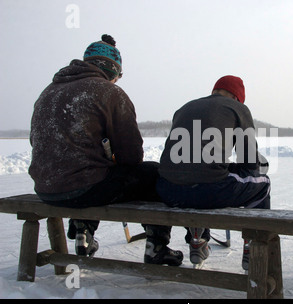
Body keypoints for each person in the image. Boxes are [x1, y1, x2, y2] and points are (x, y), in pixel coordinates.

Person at [28, 34, 182, 266]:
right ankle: (157, 246)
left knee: (94, 174)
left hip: (46, 187)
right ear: (112, 72)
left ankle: (83, 229)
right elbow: (131, 156)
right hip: (83, 189)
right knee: (155, 174)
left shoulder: (48, 92)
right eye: (117, 77)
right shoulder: (109, 93)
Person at [156, 75, 270, 269]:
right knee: (262, 184)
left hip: (168, 189)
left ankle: (197, 238)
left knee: (198, 175)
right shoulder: (238, 109)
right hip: (209, 190)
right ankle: (253, 247)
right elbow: (248, 160)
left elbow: (184, 159)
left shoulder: (185, 107)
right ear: (237, 97)